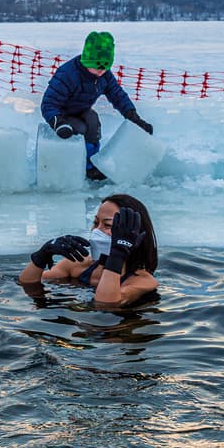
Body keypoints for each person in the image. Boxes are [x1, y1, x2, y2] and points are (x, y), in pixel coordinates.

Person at [40, 31, 153, 180]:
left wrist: (134, 117)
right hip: (61, 114)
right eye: (97, 67)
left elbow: (118, 96)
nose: (101, 72)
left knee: (93, 121)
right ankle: (75, 166)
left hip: (81, 110)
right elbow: (48, 104)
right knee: (81, 129)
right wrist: (58, 122)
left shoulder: (104, 75)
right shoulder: (68, 74)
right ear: (87, 60)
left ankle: (91, 166)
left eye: (105, 67)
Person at [18, 193, 159, 306]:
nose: (96, 231)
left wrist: (117, 256)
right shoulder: (77, 264)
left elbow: (106, 305)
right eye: (96, 223)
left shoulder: (142, 281)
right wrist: (42, 255)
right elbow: (26, 284)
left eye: (108, 225)